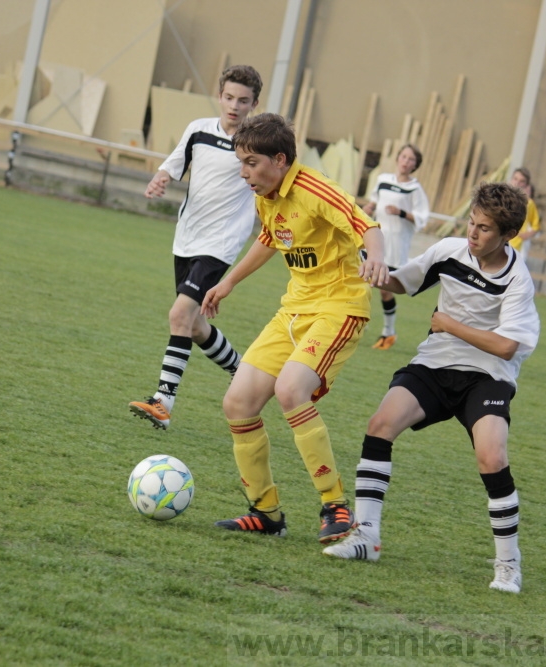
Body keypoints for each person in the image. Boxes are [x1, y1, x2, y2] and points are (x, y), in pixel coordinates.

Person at [323, 182, 538, 594]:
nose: (473, 234)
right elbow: (406, 281)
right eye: (471, 223)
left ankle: (508, 564)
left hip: (487, 375)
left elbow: (506, 345)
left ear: (508, 235)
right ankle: (366, 538)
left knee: (492, 457)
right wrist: (377, 273)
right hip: (435, 364)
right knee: (380, 423)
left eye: (485, 229)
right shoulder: (448, 252)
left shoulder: (518, 280)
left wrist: (451, 325)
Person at [201, 113, 388, 543]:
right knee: (238, 403)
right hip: (294, 312)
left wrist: (375, 256)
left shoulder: (315, 189)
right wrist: (228, 281)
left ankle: (335, 505)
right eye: (241, 162)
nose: (244, 171)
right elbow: (271, 237)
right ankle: (265, 512)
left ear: (280, 159)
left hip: (338, 308)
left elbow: (367, 225)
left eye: (251, 162)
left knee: (290, 390)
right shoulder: (264, 193)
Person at [128, 65, 264, 431]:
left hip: (220, 245)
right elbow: (174, 165)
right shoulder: (198, 130)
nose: (235, 106)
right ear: (220, 96)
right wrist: (160, 178)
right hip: (186, 238)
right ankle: (242, 372)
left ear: (255, 104)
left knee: (179, 316)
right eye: (230, 97)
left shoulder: (255, 144)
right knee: (197, 325)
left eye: (244, 101)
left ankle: (163, 402)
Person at [361, 144, 430, 350]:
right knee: (362, 281)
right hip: (374, 240)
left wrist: (401, 212)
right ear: (398, 158)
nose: (406, 161)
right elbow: (374, 201)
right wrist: (369, 207)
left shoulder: (415, 189)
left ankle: (388, 332)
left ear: (415, 165)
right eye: (403, 156)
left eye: (411, 159)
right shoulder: (383, 180)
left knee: (383, 290)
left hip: (395, 246)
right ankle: (357, 324)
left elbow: (422, 218)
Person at [508, 168, 541, 262]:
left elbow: (536, 225)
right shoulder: (501, 199)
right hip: (497, 242)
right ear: (511, 179)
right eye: (515, 179)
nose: (517, 183)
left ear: (526, 185)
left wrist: (528, 234)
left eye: (522, 181)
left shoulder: (529, 204)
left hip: (516, 246)